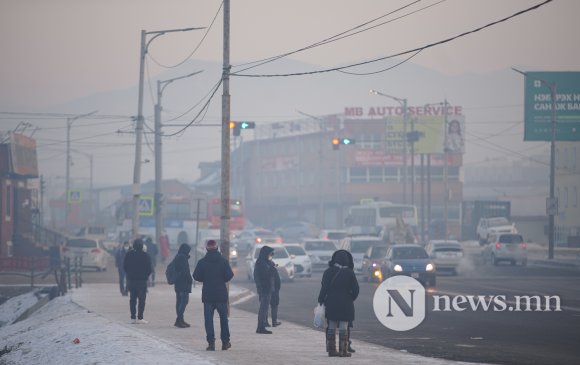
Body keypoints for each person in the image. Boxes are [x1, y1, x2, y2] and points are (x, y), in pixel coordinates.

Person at [192, 239, 234, 351]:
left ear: (206, 249)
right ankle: (225, 342)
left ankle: (211, 343)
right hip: (221, 295)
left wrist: (205, 278)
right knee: (224, 319)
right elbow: (229, 275)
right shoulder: (223, 261)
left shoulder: (202, 262)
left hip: (208, 295)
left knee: (208, 320)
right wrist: (221, 279)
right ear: (217, 248)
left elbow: (196, 276)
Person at [317, 250, 359, 357]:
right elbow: (356, 290)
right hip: (345, 303)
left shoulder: (328, 272)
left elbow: (324, 288)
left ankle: (331, 350)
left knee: (331, 325)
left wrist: (321, 300)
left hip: (331, 302)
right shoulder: (350, 273)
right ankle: (343, 351)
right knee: (343, 326)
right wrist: (350, 298)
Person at [123, 238, 152, 324]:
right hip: (142, 281)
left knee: (132, 299)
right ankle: (140, 317)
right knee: (142, 300)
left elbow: (125, 267)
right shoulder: (146, 255)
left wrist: (129, 274)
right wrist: (145, 276)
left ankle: (132, 317)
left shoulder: (129, 254)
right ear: (142, 246)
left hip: (131, 280)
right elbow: (149, 269)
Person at [253, 245, 277, 334]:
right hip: (265, 289)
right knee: (263, 309)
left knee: (264, 308)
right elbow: (265, 276)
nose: (271, 255)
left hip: (267, 288)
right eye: (270, 253)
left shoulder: (265, 262)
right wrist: (272, 268)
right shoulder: (261, 263)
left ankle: (262, 325)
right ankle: (260, 327)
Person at [173, 243, 193, 328]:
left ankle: (180, 320)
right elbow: (185, 272)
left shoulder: (178, 256)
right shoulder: (182, 258)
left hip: (178, 283)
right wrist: (190, 280)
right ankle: (179, 320)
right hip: (183, 283)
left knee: (179, 302)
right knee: (184, 301)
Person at [268, 260, 282, 327]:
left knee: (265, 307)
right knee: (274, 306)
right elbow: (277, 282)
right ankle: (274, 321)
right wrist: (277, 289)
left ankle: (265, 322)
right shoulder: (273, 271)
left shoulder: (265, 269)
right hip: (273, 291)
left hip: (267, 290)